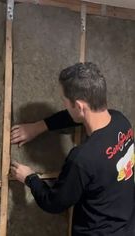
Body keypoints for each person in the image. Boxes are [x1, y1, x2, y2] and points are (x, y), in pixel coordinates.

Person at [10, 62, 135, 236]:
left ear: (79, 106)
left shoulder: (82, 159)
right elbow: (76, 117)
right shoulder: (120, 121)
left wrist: (29, 178)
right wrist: (39, 126)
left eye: (65, 101)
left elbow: (54, 203)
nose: (65, 105)